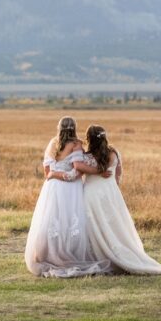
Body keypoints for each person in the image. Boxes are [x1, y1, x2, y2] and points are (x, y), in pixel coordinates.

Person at [77, 125, 161, 276]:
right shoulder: (114, 153)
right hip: (110, 194)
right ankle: (118, 251)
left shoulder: (86, 156)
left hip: (91, 194)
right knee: (114, 225)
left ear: (89, 138)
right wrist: (112, 189)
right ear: (104, 137)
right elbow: (118, 175)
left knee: (92, 225)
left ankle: (95, 255)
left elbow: (78, 172)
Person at [24, 116, 112, 277]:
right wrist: (99, 171)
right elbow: (77, 170)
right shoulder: (76, 144)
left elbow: (47, 172)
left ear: (59, 128)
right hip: (70, 190)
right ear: (74, 128)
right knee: (70, 220)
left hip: (52, 188)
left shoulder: (52, 143)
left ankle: (43, 255)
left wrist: (54, 174)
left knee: (50, 219)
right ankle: (69, 255)